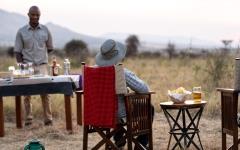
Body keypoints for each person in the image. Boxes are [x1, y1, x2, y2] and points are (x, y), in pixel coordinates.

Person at [95, 39, 154, 149]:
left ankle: (119, 144)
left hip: (98, 114)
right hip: (118, 115)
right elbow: (144, 89)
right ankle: (141, 145)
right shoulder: (120, 71)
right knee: (149, 107)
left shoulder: (92, 71)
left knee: (119, 106)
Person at [14, 6, 53, 126]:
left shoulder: (46, 30)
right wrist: (22, 66)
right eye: (33, 15)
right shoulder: (21, 31)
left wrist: (43, 58)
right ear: (28, 15)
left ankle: (48, 119)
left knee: (46, 93)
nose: (35, 17)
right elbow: (17, 51)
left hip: (42, 66)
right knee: (26, 94)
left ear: (40, 15)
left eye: (37, 15)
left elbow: (50, 48)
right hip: (27, 66)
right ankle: (28, 119)